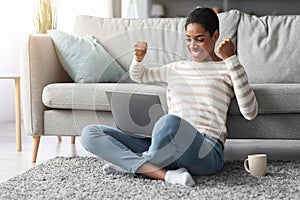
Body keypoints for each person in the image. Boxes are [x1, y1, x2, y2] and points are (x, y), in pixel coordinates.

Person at [80, 7, 258, 187]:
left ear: (215, 35)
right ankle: (168, 175)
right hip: (164, 147)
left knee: (169, 122)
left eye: (200, 39)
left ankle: (133, 164)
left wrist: (232, 58)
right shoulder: (176, 68)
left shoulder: (228, 68)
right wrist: (138, 59)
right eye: (188, 39)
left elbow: (250, 112)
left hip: (205, 150)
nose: (193, 46)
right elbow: (140, 75)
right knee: (90, 133)